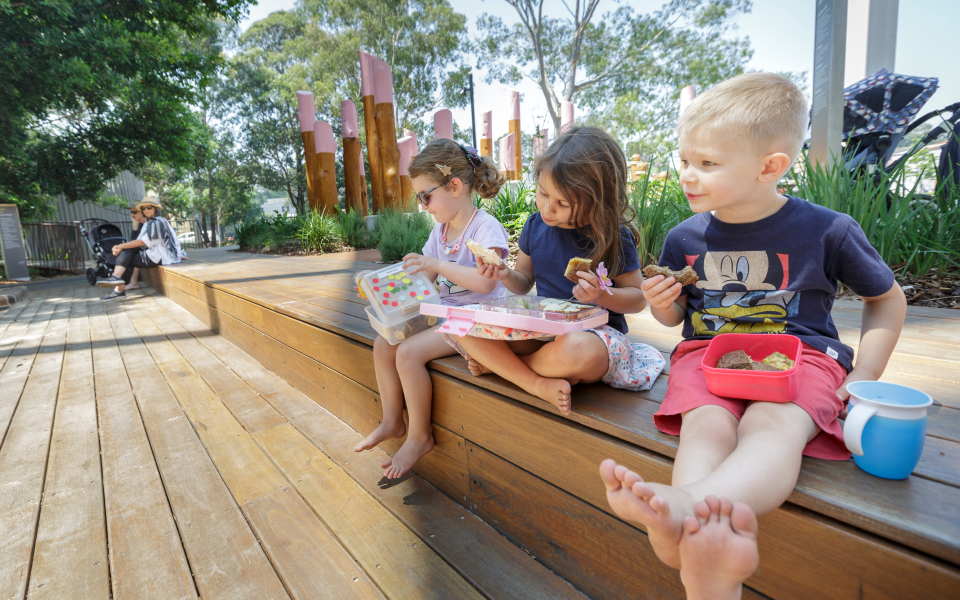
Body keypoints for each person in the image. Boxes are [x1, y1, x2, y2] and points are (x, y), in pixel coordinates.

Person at [599, 73, 907, 600]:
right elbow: (677, 319)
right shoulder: (684, 237)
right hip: (708, 356)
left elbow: (887, 298)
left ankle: (685, 512)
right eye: (684, 160)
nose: (688, 175)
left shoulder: (827, 230)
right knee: (706, 428)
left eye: (707, 163)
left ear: (770, 167)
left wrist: (865, 375)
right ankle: (699, 546)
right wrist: (664, 303)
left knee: (772, 427)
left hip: (802, 357)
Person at [461, 126, 664, 415]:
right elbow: (523, 282)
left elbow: (637, 298)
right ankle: (537, 376)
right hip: (542, 332)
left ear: (598, 201)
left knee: (577, 351)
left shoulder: (613, 236)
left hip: (594, 336)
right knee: (463, 327)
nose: (547, 209)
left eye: (563, 203)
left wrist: (602, 295)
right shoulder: (535, 226)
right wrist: (505, 274)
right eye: (543, 193)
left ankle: (505, 369)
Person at [353, 140, 509, 479]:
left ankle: (419, 436)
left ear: (454, 186)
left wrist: (437, 264)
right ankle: (392, 421)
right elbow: (421, 275)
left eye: (426, 196)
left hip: (476, 319)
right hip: (446, 315)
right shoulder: (441, 231)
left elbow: (485, 284)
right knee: (383, 343)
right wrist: (377, 285)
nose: (423, 206)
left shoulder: (486, 228)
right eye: (419, 198)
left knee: (408, 353)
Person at [97, 197, 186, 300]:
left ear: (155, 209)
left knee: (127, 256)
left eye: (149, 207)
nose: (146, 210)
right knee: (127, 253)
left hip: (163, 256)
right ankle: (117, 284)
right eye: (143, 208)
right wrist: (121, 248)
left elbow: (142, 242)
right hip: (156, 253)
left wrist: (120, 246)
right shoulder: (149, 222)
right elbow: (137, 243)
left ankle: (117, 285)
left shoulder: (158, 222)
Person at [125, 205, 145, 291]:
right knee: (130, 252)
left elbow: (140, 243)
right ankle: (132, 282)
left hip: (156, 250)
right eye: (131, 212)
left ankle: (132, 282)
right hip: (145, 249)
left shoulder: (150, 223)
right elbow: (134, 241)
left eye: (134, 212)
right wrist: (135, 224)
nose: (132, 215)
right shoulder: (140, 223)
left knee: (131, 253)